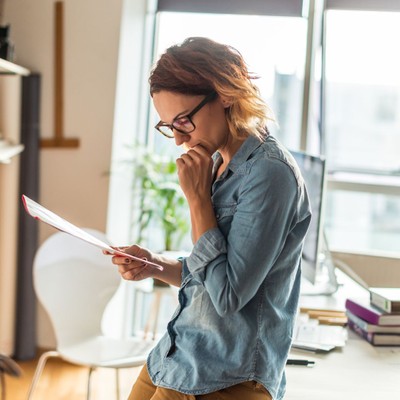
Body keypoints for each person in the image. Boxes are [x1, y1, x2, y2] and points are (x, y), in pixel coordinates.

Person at [110, 37, 311, 400]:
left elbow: (229, 295)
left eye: (184, 121)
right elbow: (210, 274)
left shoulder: (270, 174)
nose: (177, 139)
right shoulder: (219, 162)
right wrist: (154, 265)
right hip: (179, 355)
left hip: (225, 374)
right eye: (169, 126)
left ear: (225, 94)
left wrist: (198, 200)